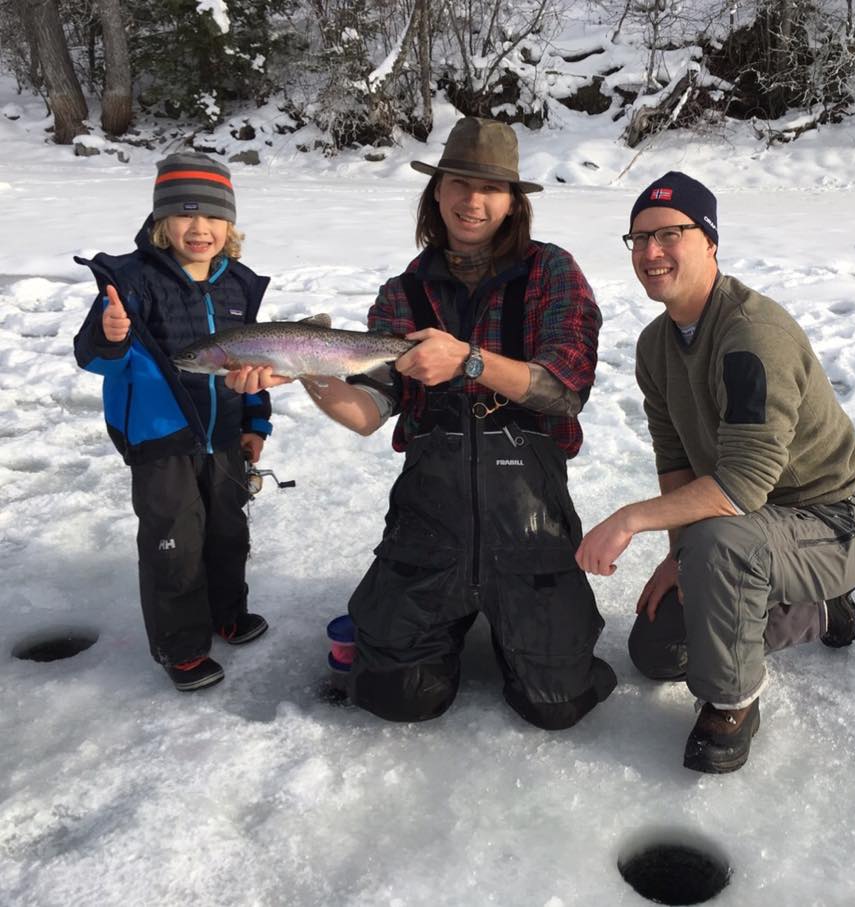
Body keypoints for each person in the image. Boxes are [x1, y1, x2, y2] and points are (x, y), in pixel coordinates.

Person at [229, 117, 616, 728]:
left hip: (530, 519)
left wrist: (470, 360)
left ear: (513, 203)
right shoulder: (401, 293)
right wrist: (306, 368)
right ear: (436, 192)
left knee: (558, 703)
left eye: (491, 188)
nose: (472, 200)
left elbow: (563, 392)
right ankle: (450, 615)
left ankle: (511, 617)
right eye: (458, 182)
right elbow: (367, 413)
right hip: (429, 520)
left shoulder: (551, 273)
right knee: (397, 696)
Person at [575, 171, 855, 773]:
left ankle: (733, 702)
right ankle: (803, 605)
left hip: (828, 521)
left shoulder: (750, 336)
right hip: (746, 525)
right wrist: (675, 555)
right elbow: (676, 459)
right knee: (658, 652)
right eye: (637, 239)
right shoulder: (655, 346)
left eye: (668, 234)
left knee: (719, 543)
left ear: (709, 241)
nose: (650, 252)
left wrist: (632, 520)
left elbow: (741, 486)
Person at [74, 152, 273, 692]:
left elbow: (253, 362)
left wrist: (255, 423)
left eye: (211, 216)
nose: (199, 228)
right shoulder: (132, 283)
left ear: (229, 224)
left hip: (227, 435)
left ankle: (227, 612)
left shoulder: (238, 285)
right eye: (185, 215)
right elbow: (93, 358)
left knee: (229, 532)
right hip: (160, 440)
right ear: (163, 220)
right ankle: (181, 647)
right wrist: (110, 335)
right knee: (174, 543)